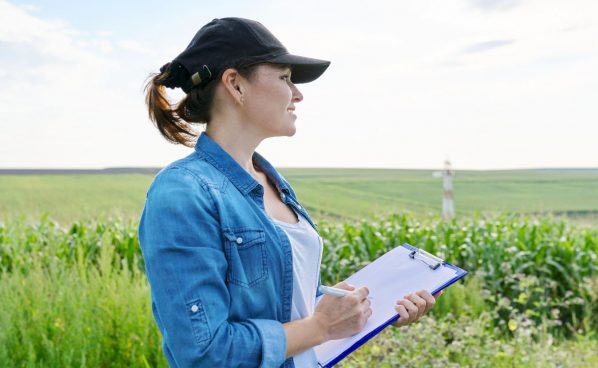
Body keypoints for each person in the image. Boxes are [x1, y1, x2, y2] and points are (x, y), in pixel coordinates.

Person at [139, 17, 439, 368]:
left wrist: (359, 305)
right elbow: (204, 353)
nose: (297, 94)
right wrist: (321, 326)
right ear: (235, 85)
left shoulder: (272, 182)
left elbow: (285, 303)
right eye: (284, 77)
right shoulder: (183, 193)